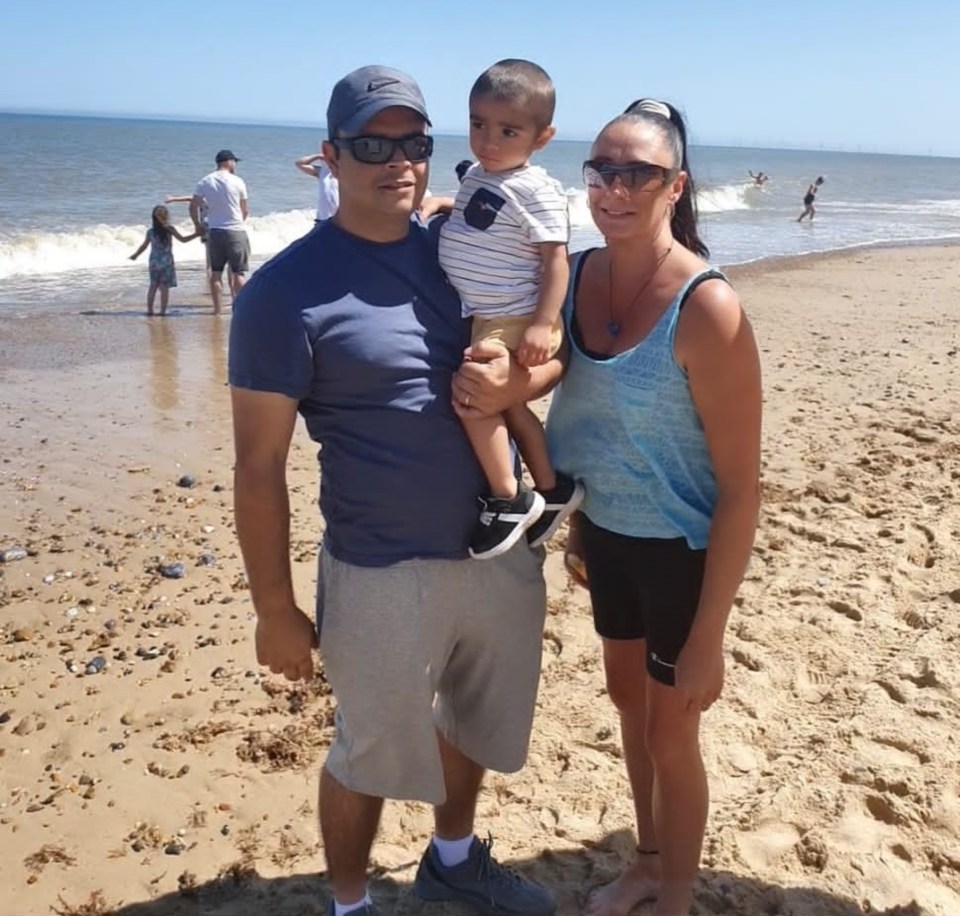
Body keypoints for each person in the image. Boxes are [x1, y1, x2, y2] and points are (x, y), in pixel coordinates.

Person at [228, 65, 560, 916]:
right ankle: (350, 903)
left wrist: (523, 391)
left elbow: (540, 349)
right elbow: (258, 467)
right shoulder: (280, 295)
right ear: (332, 156)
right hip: (379, 566)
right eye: (373, 143)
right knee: (367, 752)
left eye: (414, 142)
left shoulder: (459, 249)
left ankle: (451, 857)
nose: (399, 161)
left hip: (496, 548)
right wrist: (275, 606)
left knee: (475, 725)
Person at [546, 98, 762, 916]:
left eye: (637, 172)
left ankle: (675, 897)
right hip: (606, 537)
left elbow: (743, 487)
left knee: (674, 734)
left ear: (675, 186)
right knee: (629, 707)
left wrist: (709, 634)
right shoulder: (574, 275)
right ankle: (644, 860)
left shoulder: (706, 308)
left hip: (683, 552)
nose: (614, 187)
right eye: (602, 169)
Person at [438, 58, 582, 561]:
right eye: (478, 124)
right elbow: (477, 216)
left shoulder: (538, 191)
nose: (488, 141)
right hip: (490, 315)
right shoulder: (481, 174)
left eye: (507, 130)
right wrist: (442, 206)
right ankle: (554, 487)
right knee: (509, 404)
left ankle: (509, 495)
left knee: (475, 396)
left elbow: (556, 263)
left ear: (542, 138)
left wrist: (543, 324)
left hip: (520, 317)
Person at [191, 150, 250, 313]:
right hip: (235, 230)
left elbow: (193, 205)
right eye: (234, 162)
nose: (235, 165)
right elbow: (245, 209)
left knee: (216, 272)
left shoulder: (205, 181)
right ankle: (243, 307)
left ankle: (217, 309)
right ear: (229, 162)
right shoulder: (238, 181)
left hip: (215, 230)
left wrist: (198, 225)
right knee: (238, 273)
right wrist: (239, 222)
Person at [129, 204, 198, 316]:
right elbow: (183, 240)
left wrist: (135, 255)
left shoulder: (151, 232)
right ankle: (162, 311)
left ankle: (150, 310)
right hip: (166, 262)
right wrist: (196, 235)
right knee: (164, 287)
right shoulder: (169, 229)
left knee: (153, 286)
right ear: (166, 216)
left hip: (154, 262)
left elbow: (144, 246)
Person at [295, 148, 340, 221]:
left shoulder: (343, 173)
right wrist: (317, 156)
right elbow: (299, 164)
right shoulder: (321, 171)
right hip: (322, 217)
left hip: (338, 218)